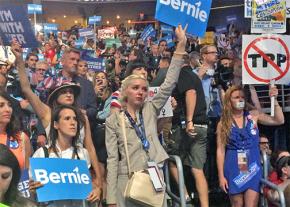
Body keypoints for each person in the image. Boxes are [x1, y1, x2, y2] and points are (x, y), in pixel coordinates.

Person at [105, 24, 187, 207]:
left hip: (153, 176)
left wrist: (181, 45)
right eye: (135, 88)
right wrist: (110, 199)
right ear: (125, 91)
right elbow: (112, 160)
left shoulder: (150, 109)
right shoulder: (113, 120)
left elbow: (169, 82)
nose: (141, 92)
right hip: (127, 180)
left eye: (144, 89)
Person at [11, 41, 102, 191]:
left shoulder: (81, 117)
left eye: (71, 92)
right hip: (54, 171)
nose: (68, 94)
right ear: (54, 97)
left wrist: (98, 181)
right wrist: (20, 60)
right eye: (64, 91)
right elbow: (26, 89)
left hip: (78, 170)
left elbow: (90, 148)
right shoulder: (48, 114)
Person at [217, 85, 284, 206]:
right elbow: (220, 151)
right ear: (229, 101)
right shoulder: (223, 123)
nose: (240, 100)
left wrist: (274, 99)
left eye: (242, 97)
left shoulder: (253, 116)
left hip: (252, 164)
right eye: (236, 97)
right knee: (237, 204)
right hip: (233, 165)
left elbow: (279, 120)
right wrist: (221, 176)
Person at [31, 105, 100, 206]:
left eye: (75, 119)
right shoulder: (42, 154)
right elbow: (31, 189)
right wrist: (33, 189)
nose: (73, 123)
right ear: (55, 125)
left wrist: (96, 190)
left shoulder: (82, 153)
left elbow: (87, 185)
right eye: (67, 118)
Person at [0, 90, 32, 170]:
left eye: (10, 105)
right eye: (1, 105)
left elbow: (27, 173)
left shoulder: (22, 138)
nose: (8, 109)